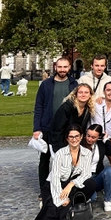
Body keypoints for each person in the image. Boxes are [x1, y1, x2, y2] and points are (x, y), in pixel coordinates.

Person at [24, 125, 97, 220]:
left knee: (91, 183)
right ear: (67, 138)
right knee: (56, 210)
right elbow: (55, 177)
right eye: (71, 137)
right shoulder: (60, 154)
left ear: (81, 137)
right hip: (56, 184)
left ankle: (75, 202)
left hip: (72, 184)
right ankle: (54, 203)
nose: (74, 139)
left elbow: (86, 174)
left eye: (77, 136)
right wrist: (62, 199)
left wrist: (71, 184)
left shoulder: (87, 153)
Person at [33, 57, 78, 187]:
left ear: (69, 68)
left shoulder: (74, 84)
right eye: (60, 67)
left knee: (67, 158)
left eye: (65, 67)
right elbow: (39, 106)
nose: (62, 70)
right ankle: (44, 189)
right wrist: (37, 128)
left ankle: (64, 186)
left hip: (66, 128)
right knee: (44, 159)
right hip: (47, 126)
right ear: (55, 67)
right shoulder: (46, 84)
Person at [48, 84, 95, 157]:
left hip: (74, 142)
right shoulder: (66, 107)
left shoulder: (88, 109)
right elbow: (57, 129)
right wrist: (59, 149)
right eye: (80, 92)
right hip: (60, 142)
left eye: (86, 92)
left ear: (90, 95)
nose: (83, 95)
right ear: (76, 94)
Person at [82, 124, 111, 212]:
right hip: (84, 178)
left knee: (110, 171)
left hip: (96, 176)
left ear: (98, 137)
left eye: (93, 137)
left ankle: (108, 200)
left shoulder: (100, 144)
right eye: (88, 136)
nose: (89, 139)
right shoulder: (80, 144)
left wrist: (106, 140)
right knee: (92, 198)